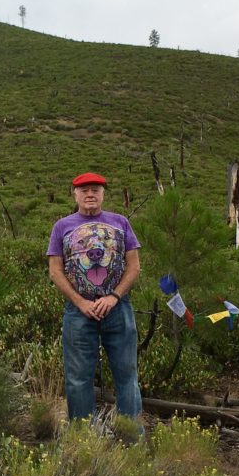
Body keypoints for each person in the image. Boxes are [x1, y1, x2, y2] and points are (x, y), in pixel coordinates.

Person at [47, 172, 142, 422]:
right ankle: (82, 439)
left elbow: (133, 267)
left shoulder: (121, 222)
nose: (90, 194)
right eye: (84, 190)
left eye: (95, 190)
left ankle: (131, 435)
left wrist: (113, 297)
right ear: (75, 194)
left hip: (118, 309)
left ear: (103, 194)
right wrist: (81, 303)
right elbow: (55, 271)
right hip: (78, 311)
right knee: (78, 378)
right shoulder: (61, 226)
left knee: (126, 374)